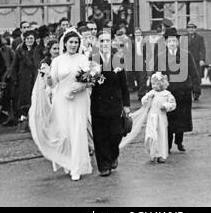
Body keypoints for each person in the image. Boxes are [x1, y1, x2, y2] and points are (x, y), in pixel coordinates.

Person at [29, 28, 93, 181]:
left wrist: (81, 86)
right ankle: (67, 160)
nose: (73, 45)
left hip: (79, 99)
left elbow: (90, 80)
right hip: (61, 99)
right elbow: (52, 83)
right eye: (71, 42)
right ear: (65, 43)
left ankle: (77, 167)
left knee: (77, 131)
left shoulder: (83, 59)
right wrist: (47, 76)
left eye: (76, 42)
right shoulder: (58, 60)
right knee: (64, 133)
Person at [90, 30, 130, 177]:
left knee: (116, 134)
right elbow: (88, 82)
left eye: (107, 41)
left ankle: (113, 155)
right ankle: (104, 165)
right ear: (97, 43)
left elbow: (124, 85)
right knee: (100, 136)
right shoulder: (92, 60)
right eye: (102, 41)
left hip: (114, 104)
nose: (105, 44)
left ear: (111, 42)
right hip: (97, 104)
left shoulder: (117, 59)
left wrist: (126, 105)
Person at [155, 27, 200, 153]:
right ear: (165, 42)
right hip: (168, 94)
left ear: (178, 41)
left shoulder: (187, 55)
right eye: (170, 41)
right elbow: (157, 75)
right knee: (168, 120)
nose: (172, 43)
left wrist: (196, 88)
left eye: (174, 41)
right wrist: (156, 91)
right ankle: (167, 145)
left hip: (183, 92)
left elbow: (194, 73)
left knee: (182, 118)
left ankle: (179, 142)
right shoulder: (161, 57)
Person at [128, 72, 176, 163]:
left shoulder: (167, 94)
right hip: (152, 117)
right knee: (150, 136)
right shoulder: (151, 93)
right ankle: (152, 152)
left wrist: (165, 106)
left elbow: (173, 104)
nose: (153, 86)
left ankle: (161, 155)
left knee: (161, 136)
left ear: (161, 84)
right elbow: (143, 102)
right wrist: (147, 98)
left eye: (155, 84)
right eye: (152, 84)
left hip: (161, 118)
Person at [11, 30, 41, 133]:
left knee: (35, 99)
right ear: (24, 39)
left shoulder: (38, 49)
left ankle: (34, 123)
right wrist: (15, 78)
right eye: (27, 38)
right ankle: (24, 121)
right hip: (23, 78)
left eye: (31, 38)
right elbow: (14, 65)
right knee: (23, 100)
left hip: (35, 77)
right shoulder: (19, 50)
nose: (29, 40)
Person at [0, 31, 15, 128]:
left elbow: (14, 59)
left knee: (7, 98)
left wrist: (10, 71)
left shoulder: (7, 49)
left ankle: (8, 118)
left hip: (6, 77)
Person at [187, 22, 205, 101]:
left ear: (195, 29)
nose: (191, 29)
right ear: (187, 29)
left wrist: (202, 59)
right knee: (187, 78)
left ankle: (196, 93)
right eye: (189, 28)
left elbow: (202, 49)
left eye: (192, 28)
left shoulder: (200, 38)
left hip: (196, 61)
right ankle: (187, 93)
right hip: (186, 60)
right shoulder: (183, 37)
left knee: (196, 77)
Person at [133, 27, 148, 100]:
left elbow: (148, 52)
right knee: (137, 78)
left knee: (143, 77)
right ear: (134, 34)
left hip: (142, 60)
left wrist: (146, 59)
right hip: (134, 61)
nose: (138, 34)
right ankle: (140, 92)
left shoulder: (144, 42)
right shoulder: (132, 42)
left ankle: (141, 94)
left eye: (139, 33)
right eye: (136, 33)